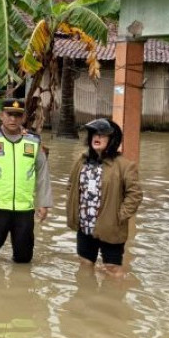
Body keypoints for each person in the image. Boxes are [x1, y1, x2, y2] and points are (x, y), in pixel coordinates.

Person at [0, 98, 53, 263]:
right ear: (1, 115)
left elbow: (43, 173)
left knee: (24, 259)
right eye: (9, 114)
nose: (13, 119)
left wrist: (44, 203)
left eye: (17, 115)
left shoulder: (34, 140)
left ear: (23, 118)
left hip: (24, 209)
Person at [65, 118, 143, 278]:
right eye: (94, 134)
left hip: (111, 227)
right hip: (85, 225)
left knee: (113, 270)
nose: (96, 137)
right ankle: (87, 297)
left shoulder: (125, 165)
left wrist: (118, 216)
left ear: (112, 139)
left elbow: (134, 195)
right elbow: (71, 185)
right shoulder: (81, 161)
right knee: (85, 264)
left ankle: (114, 300)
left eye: (102, 134)